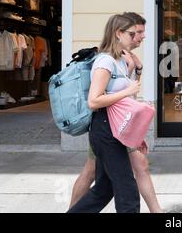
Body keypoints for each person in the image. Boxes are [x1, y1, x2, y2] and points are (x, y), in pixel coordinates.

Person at [69, 13, 163, 213]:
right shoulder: (105, 61)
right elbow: (94, 101)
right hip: (104, 129)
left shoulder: (119, 60)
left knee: (104, 190)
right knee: (127, 191)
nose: (137, 37)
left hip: (114, 129)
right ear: (118, 33)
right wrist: (127, 91)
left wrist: (135, 135)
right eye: (132, 33)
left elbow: (124, 105)